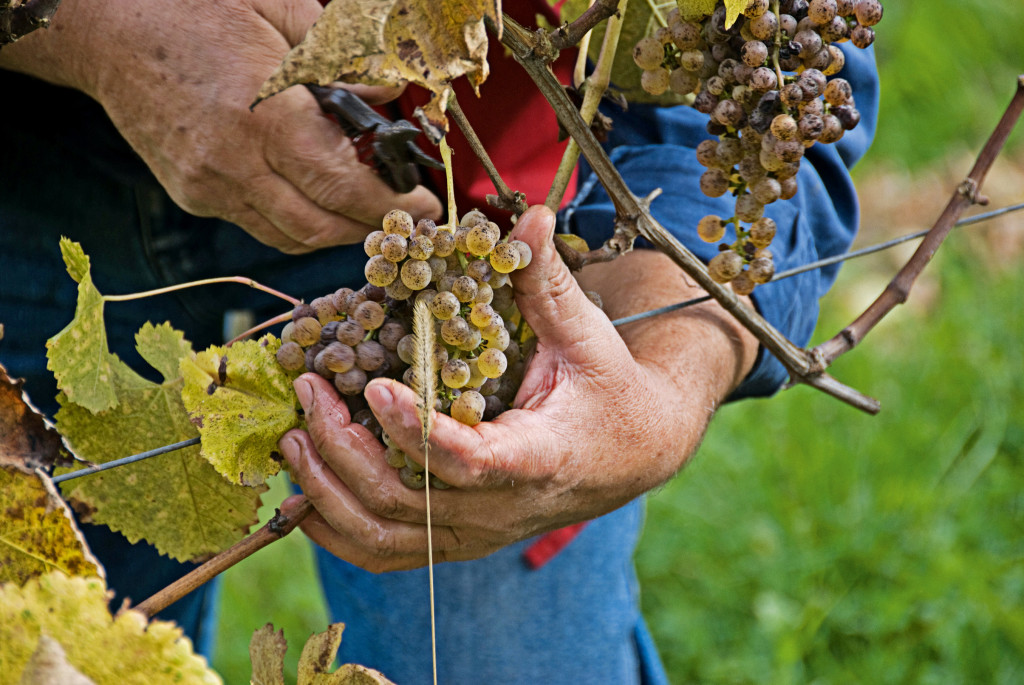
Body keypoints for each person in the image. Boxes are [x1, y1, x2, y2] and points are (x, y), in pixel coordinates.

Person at [0, 0, 878, 682]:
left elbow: (765, 80)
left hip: (484, 220)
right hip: (27, 175)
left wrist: (662, 381)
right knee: (48, 638)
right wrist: (87, 27)